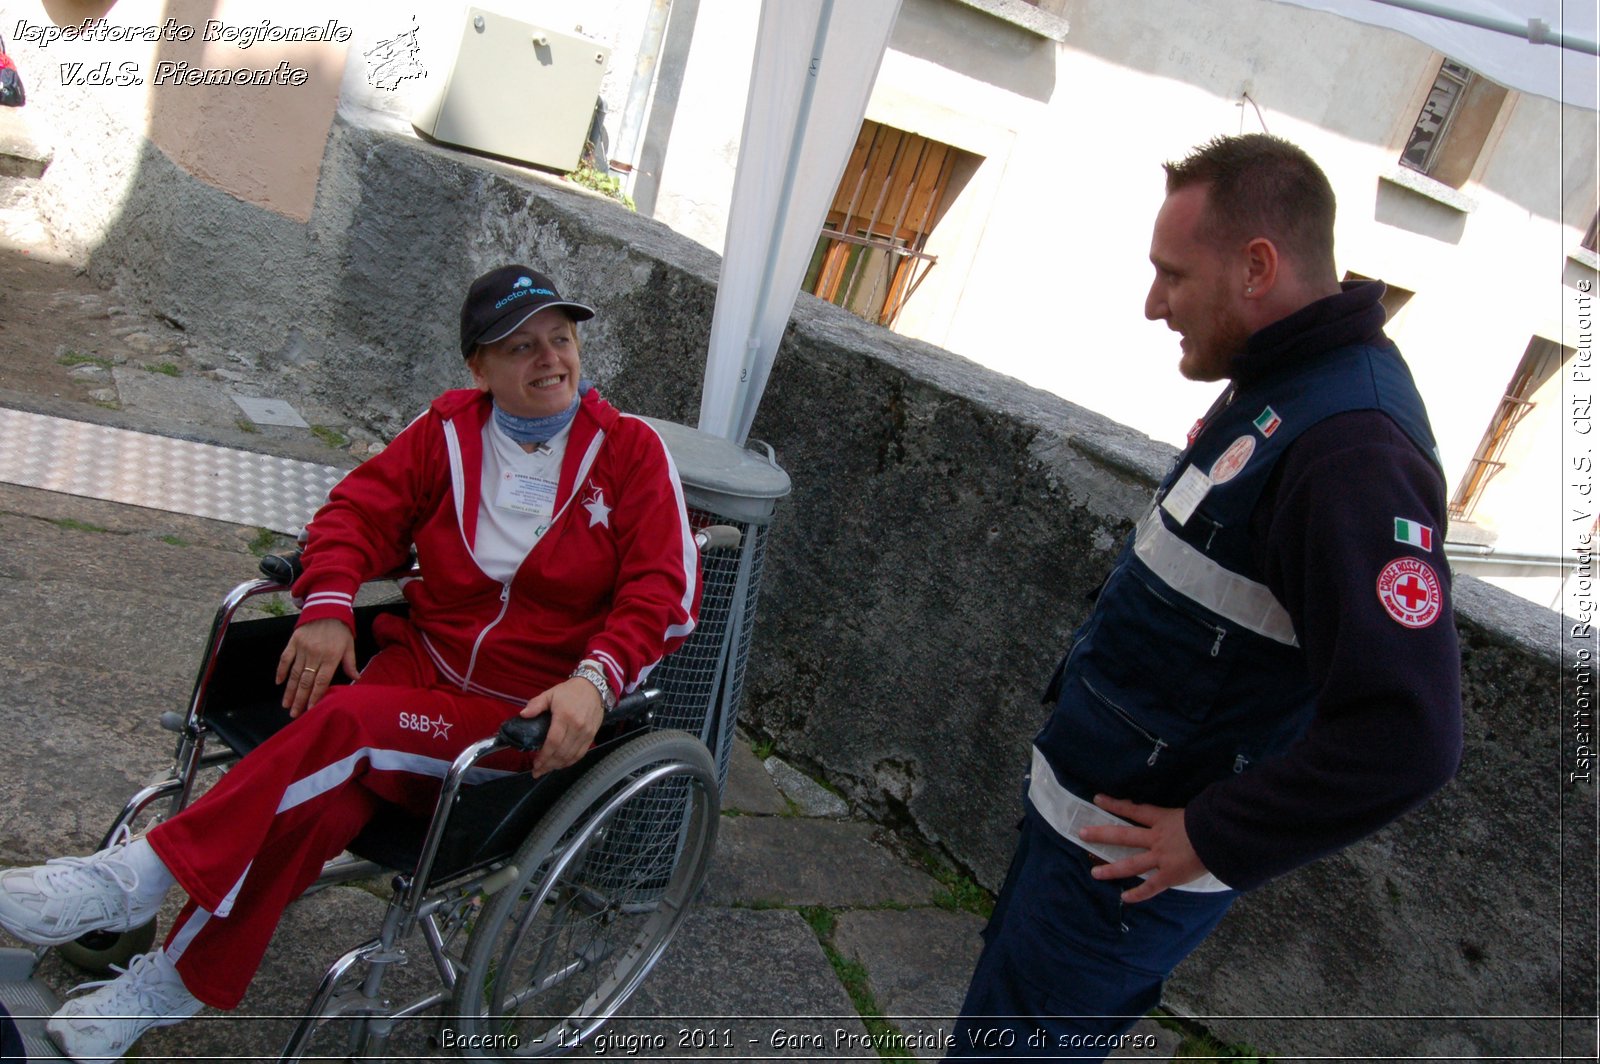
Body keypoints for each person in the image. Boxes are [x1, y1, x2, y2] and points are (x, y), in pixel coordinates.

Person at [0, 265, 701, 1061]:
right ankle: (168, 985)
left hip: (514, 719)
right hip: (417, 672)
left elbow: (664, 592)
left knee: (347, 724)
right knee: (315, 806)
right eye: (519, 346)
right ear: (478, 368)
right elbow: (354, 514)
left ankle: (135, 875)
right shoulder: (444, 434)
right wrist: (330, 605)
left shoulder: (630, 454)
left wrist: (595, 679)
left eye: (560, 339)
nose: (549, 360)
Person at [950, 134, 1462, 1059]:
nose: (1154, 305)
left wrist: (1215, 836)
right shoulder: (1281, 385)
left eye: (1172, 275)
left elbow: (1409, 732)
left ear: (1257, 266)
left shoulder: (1356, 451)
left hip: (1122, 886)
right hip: (1076, 846)